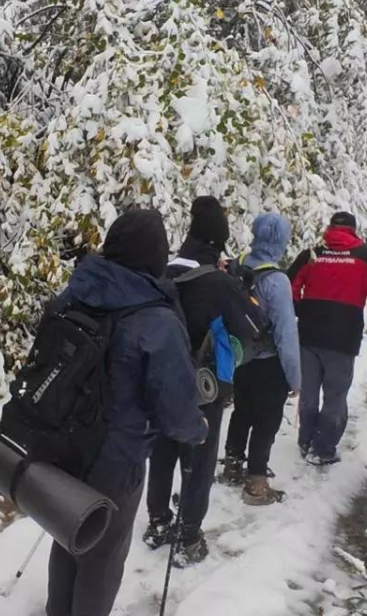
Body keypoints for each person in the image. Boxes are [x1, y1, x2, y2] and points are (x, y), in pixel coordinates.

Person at [46, 209, 209, 616]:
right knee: (101, 556)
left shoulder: (73, 294)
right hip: (115, 461)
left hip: (60, 443)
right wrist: (198, 430)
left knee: (65, 532)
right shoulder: (156, 320)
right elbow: (176, 409)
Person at [143, 196, 265, 565]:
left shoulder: (160, 273)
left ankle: (158, 523)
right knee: (198, 460)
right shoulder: (220, 283)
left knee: (162, 453)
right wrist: (241, 288)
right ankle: (189, 537)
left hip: (158, 381)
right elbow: (256, 329)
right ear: (219, 241)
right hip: (203, 386)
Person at [288, 211, 367, 466]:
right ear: (354, 230)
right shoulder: (366, 255)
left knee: (309, 391)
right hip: (344, 335)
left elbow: (289, 283)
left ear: (330, 228)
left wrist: (301, 309)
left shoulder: (313, 252)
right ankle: (323, 448)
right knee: (335, 394)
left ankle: (305, 440)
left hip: (309, 333)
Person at [221, 213, 301, 505]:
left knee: (242, 411)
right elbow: (285, 333)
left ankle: (231, 465)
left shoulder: (239, 265)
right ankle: (256, 484)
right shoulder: (277, 281)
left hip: (240, 356)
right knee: (266, 421)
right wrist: (294, 377)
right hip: (269, 362)